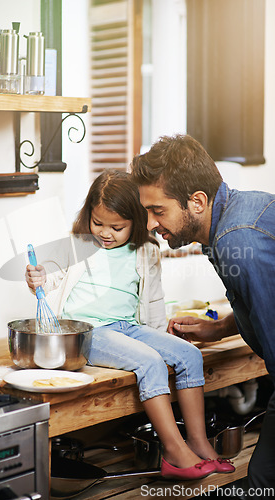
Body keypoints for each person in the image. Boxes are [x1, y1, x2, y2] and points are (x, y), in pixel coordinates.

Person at [26, 170, 234, 480]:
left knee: (189, 356)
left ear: (136, 221)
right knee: (149, 362)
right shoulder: (74, 246)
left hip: (128, 327)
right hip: (88, 333)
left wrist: (163, 336)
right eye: (98, 224)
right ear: (88, 217)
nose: (106, 233)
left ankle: (199, 442)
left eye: (117, 227)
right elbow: (49, 279)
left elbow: (152, 301)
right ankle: (174, 452)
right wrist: (37, 279)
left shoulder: (146, 250)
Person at [130, 134, 275, 493]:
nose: (149, 224)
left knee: (259, 484)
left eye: (158, 211)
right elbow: (265, 301)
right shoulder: (231, 218)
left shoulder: (236, 239)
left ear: (196, 202)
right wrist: (220, 328)